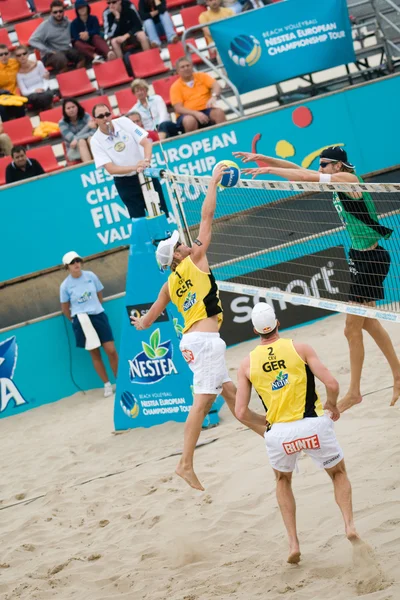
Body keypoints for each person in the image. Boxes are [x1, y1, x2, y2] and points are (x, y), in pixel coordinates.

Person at [131, 164, 266, 491]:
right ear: (177, 257)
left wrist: (139, 321)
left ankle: (273, 432)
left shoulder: (168, 285)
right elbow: (206, 217)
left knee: (234, 397)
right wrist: (214, 182)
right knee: (202, 403)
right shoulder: (196, 261)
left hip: (193, 344)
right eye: (180, 245)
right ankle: (185, 463)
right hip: (204, 343)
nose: (185, 244)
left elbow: (146, 322)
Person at [237, 147, 400, 411]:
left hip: (371, 260)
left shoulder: (350, 181)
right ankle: (398, 374)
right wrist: (265, 159)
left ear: (338, 166)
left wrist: (268, 171)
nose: (320, 169)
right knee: (368, 323)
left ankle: (355, 392)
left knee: (351, 328)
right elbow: (300, 172)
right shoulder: (334, 179)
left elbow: (310, 177)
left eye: (324, 165)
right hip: (361, 257)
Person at [236, 302, 363, 563]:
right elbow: (332, 384)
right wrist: (331, 404)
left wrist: (267, 421)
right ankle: (349, 526)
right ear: (277, 324)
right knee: (338, 473)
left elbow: (241, 413)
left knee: (283, 481)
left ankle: (293, 544)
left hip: (279, 435)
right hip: (312, 425)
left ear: (255, 330)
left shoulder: (246, 364)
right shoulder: (300, 347)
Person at [90, 102, 170, 219]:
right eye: (101, 116)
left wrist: (146, 161)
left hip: (146, 174)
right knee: (139, 220)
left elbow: (146, 143)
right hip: (125, 182)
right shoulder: (95, 140)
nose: (105, 118)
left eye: (107, 114)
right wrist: (136, 167)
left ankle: (167, 237)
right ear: (95, 120)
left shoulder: (124, 122)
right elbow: (111, 169)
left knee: (161, 214)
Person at [60, 251, 119, 398]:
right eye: (72, 262)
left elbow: (99, 295)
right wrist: (76, 320)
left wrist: (95, 309)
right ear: (67, 266)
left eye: (78, 261)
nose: (76, 264)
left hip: (98, 315)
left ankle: (120, 380)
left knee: (110, 350)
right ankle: (106, 384)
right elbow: (65, 308)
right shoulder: (65, 286)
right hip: (81, 319)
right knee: (95, 353)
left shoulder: (91, 276)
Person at [170, 57, 226, 133]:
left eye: (188, 65)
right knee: (189, 120)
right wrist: (196, 113)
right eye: (182, 67)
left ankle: (225, 137)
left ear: (192, 66)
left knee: (219, 112)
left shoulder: (202, 76)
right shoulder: (175, 87)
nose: (186, 68)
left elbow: (216, 85)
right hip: (188, 114)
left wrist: (214, 96)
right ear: (177, 71)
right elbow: (178, 108)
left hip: (206, 109)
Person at [29, 0, 85, 74]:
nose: (58, 14)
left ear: (64, 11)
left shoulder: (69, 23)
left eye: (60, 11)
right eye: (55, 12)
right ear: (51, 13)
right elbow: (32, 40)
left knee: (81, 55)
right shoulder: (45, 25)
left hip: (65, 50)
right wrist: (47, 49)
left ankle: (79, 75)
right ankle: (65, 79)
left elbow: (80, 32)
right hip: (50, 54)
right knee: (61, 59)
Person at [71, 0, 116, 64]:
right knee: (77, 43)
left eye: (83, 7)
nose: (82, 9)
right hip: (84, 44)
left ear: (87, 7)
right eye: (79, 8)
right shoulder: (73, 23)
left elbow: (96, 30)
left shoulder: (93, 18)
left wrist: (88, 33)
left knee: (96, 37)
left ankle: (109, 53)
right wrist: (83, 37)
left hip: (94, 40)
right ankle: (96, 56)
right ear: (77, 10)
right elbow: (75, 36)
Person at [15, 45, 54, 111]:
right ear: (16, 58)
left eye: (24, 54)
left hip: (44, 89)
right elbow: (24, 91)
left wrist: (43, 89)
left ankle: (44, 110)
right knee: (37, 97)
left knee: (47, 94)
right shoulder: (18, 73)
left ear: (28, 54)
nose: (22, 56)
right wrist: (35, 91)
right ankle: (47, 109)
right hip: (31, 94)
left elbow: (45, 79)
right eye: (19, 55)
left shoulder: (39, 64)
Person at [59, 98, 95, 163]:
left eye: (73, 107)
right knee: (81, 141)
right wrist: (87, 127)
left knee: (90, 139)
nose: (71, 110)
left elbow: (94, 132)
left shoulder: (86, 116)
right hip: (73, 149)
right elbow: (72, 139)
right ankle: (89, 166)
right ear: (64, 111)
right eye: (68, 108)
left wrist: (77, 138)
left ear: (77, 107)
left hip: (90, 144)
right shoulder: (62, 123)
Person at [0, 44, 26, 121]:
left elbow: (29, 64)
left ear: (9, 54)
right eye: (0, 54)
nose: (3, 56)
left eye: (6, 53)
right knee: (2, 108)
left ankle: (23, 125)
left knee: (20, 103)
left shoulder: (15, 62)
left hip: (16, 94)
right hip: (3, 97)